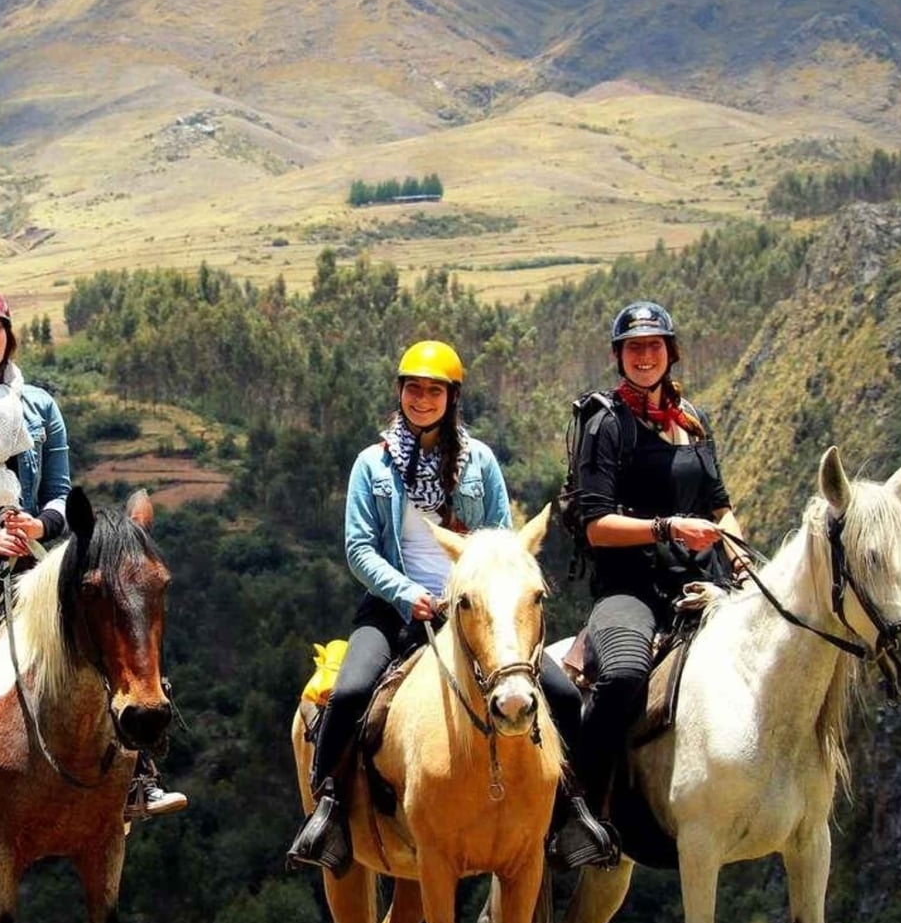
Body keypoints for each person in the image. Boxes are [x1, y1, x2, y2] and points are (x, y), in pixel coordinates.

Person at [0, 287, 186, 843]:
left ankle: (139, 773)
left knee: (112, 628)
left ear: (8, 337)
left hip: (32, 558)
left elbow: (57, 493)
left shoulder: (41, 407)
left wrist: (39, 527)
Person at [287, 340, 514, 874]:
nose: (422, 399)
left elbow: (500, 536)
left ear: (452, 397)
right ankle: (329, 811)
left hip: (472, 611)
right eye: (413, 388)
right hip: (395, 609)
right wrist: (408, 594)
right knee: (348, 693)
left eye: (434, 390)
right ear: (400, 392)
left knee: (552, 690)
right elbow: (359, 549)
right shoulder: (373, 464)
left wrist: (472, 595)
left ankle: (569, 806)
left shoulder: (479, 461)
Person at [547, 300, 746, 868]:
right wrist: (665, 526)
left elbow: (720, 505)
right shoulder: (603, 421)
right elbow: (596, 524)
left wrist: (738, 555)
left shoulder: (693, 420)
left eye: (654, 345)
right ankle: (576, 810)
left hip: (702, 585)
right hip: (630, 589)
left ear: (670, 352)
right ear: (619, 356)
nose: (644, 356)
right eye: (633, 347)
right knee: (625, 675)